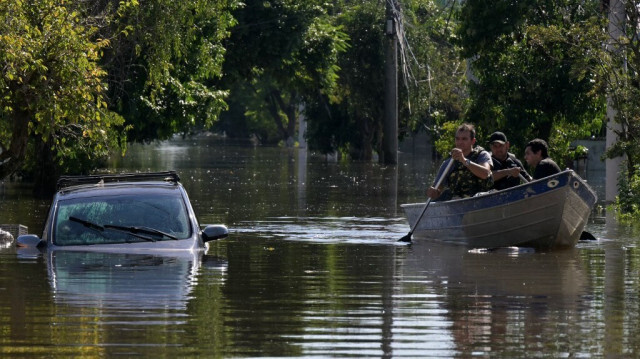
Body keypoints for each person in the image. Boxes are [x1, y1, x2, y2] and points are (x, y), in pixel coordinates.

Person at [426, 123, 493, 200]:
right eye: (457, 139)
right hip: (457, 203)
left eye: (464, 139)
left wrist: (464, 160)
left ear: (473, 141)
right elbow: (437, 189)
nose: (460, 142)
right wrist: (432, 192)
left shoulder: (482, 155)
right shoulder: (448, 163)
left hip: (481, 200)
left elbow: (485, 173)